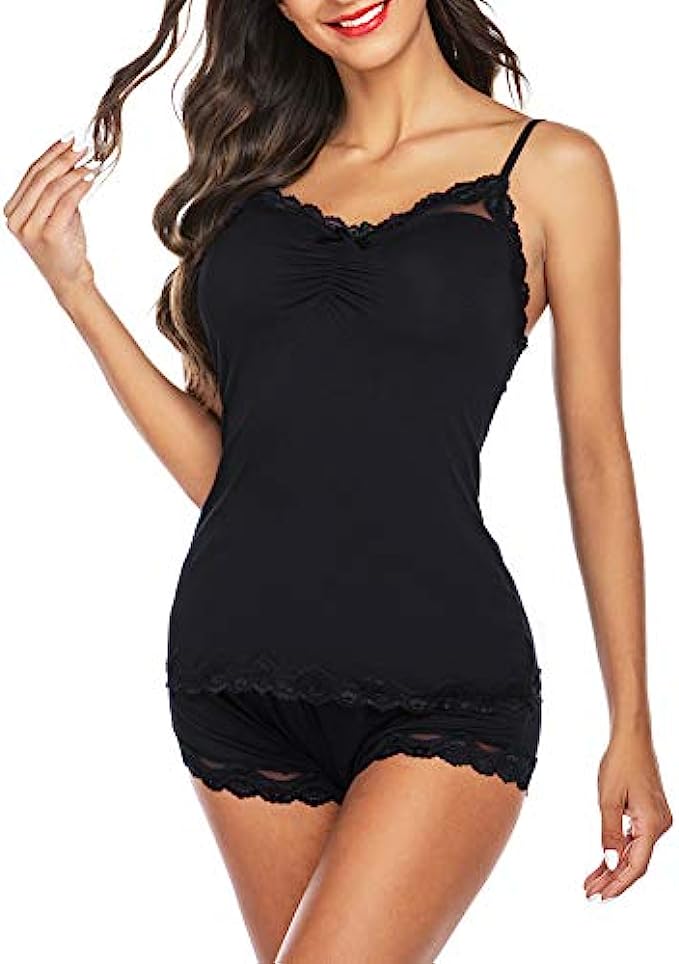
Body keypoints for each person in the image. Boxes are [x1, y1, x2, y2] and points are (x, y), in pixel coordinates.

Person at [4, 1, 673, 960]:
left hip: (443, 684)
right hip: (235, 679)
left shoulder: (552, 168)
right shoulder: (252, 179)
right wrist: (77, 291)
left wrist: (631, 724)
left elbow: (596, 455)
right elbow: (233, 475)